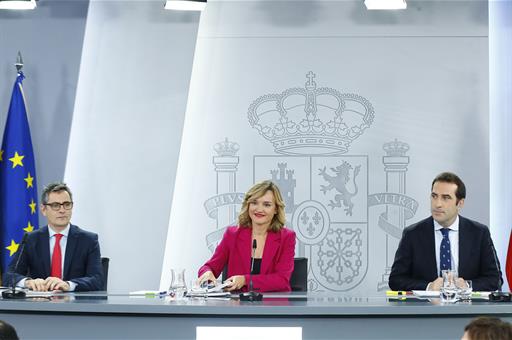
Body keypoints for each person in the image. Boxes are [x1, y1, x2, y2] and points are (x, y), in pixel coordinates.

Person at [389, 172, 502, 291]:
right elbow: (396, 280)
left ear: (460, 203)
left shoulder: (479, 233)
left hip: (468, 307)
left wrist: (467, 286)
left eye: (446, 198)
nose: (437, 204)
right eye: (434, 196)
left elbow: (495, 280)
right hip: (426, 308)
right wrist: (429, 287)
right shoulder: (412, 234)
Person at [2, 182, 103, 292]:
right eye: (55, 205)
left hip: (75, 305)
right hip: (39, 304)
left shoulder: (88, 240)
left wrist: (68, 285)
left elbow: (97, 280)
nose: (62, 210)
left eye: (66, 204)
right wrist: (28, 282)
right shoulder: (31, 239)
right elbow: (9, 276)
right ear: (43, 209)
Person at [198, 180, 296, 292]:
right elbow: (209, 267)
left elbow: (281, 281)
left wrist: (245, 280)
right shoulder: (232, 235)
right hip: (237, 306)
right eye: (254, 203)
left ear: (276, 209)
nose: (259, 209)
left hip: (273, 305)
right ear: (248, 205)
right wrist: (207, 273)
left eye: (267, 205)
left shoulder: (287, 237)